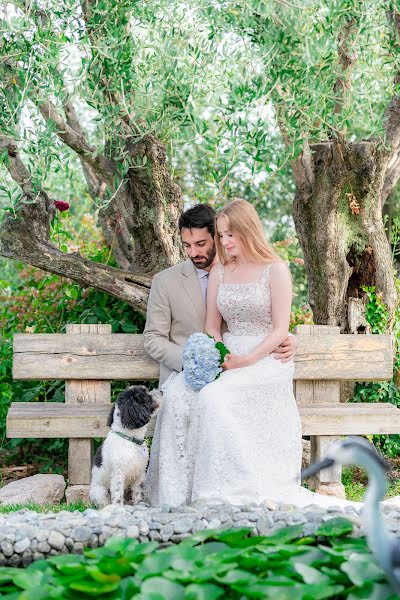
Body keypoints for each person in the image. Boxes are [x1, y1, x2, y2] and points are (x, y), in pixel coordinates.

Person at [143, 199, 363, 509]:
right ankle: (175, 496)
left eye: (219, 237)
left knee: (213, 399)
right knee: (182, 396)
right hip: (224, 356)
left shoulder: (275, 269)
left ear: (246, 231)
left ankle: (230, 490)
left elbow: (279, 328)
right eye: (221, 237)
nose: (222, 243)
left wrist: (256, 355)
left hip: (263, 359)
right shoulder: (200, 274)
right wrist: (213, 357)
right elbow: (209, 327)